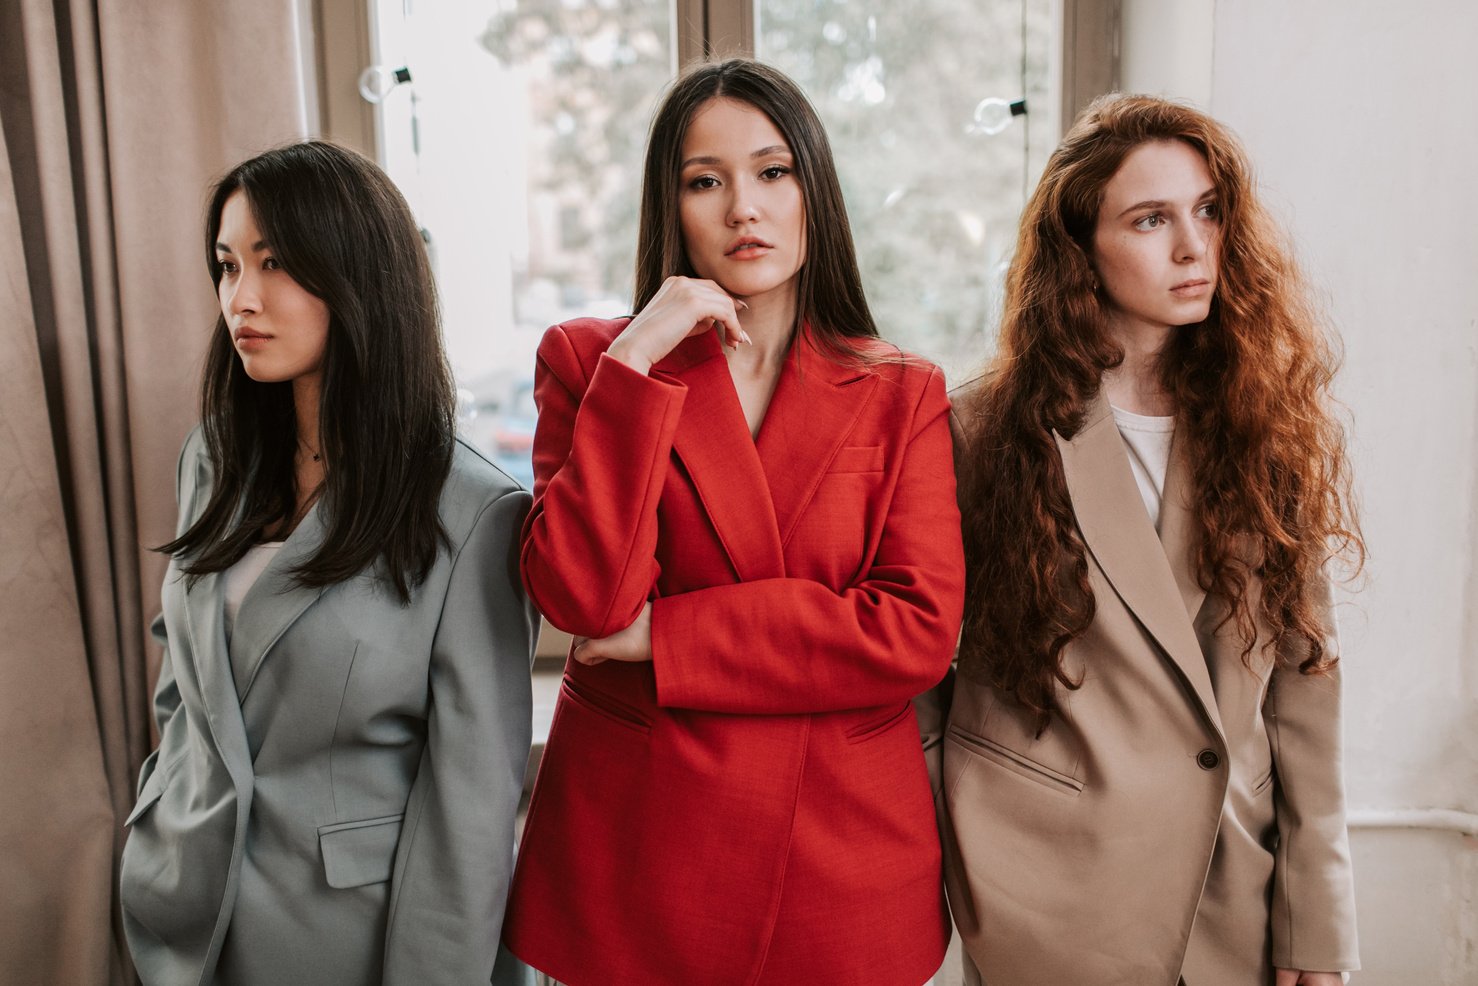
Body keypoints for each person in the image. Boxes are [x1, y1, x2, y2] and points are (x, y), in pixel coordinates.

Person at [500, 58, 965, 986]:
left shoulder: (901, 390)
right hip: (640, 854)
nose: (743, 208)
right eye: (705, 182)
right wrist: (633, 363)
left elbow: (915, 631)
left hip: (839, 858)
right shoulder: (593, 360)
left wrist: (664, 638)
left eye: (772, 172)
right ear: (669, 209)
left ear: (812, 193)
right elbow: (585, 599)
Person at [940, 93, 1364, 986]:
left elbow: (1305, 694)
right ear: (1081, 249)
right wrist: (970, 840)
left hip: (1231, 896)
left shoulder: (1270, 427)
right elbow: (920, 674)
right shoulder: (978, 432)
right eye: (1150, 219)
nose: (1192, 246)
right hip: (1047, 899)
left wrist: (1316, 932)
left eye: (1209, 211)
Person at [119, 141, 537, 986]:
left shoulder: (475, 515)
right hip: (182, 913)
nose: (241, 298)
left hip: (353, 943)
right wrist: (158, 809)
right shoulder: (213, 458)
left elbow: (470, 810)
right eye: (227, 265)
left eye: (275, 264)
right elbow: (185, 677)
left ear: (358, 279)